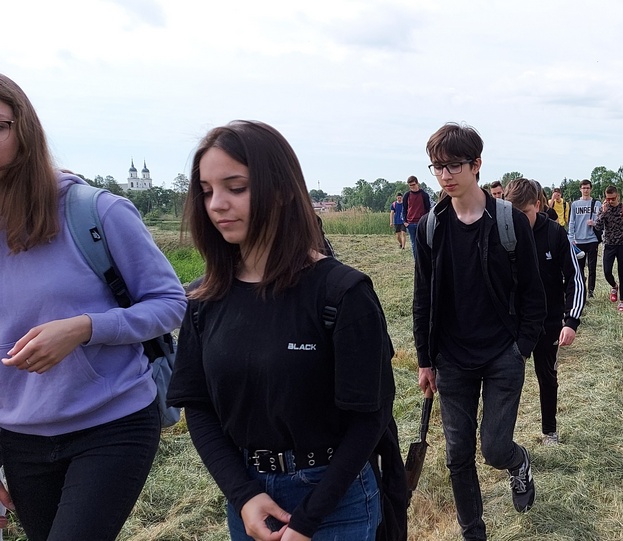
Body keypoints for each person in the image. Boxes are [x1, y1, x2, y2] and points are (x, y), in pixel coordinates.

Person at [167, 120, 399, 541]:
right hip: (248, 499)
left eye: (236, 187)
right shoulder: (204, 299)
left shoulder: (342, 293)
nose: (217, 204)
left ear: (282, 190)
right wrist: (243, 495)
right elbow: (197, 406)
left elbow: (371, 416)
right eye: (206, 190)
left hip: (336, 502)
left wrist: (309, 520)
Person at [0, 73, 187, 541]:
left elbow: (170, 303)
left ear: (25, 130)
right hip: (17, 437)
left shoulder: (95, 211)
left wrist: (85, 328)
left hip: (110, 423)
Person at [413, 122, 546, 540]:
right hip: (452, 359)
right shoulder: (430, 227)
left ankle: (518, 463)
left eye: (454, 165)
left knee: (494, 448)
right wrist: (425, 360)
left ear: (476, 165)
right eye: (438, 167)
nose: (445, 175)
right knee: (457, 455)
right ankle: (474, 532)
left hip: (502, 353)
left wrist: (521, 347)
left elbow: (534, 293)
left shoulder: (508, 222)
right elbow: (422, 300)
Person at [503, 178, 583, 445]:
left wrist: (571, 321)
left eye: (524, 213)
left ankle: (549, 430)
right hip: (513, 322)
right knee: (506, 378)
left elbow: (575, 278)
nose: (518, 220)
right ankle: (502, 438)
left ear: (537, 205)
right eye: (513, 214)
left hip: (549, 321)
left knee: (546, 376)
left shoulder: (555, 233)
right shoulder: (502, 234)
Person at [594, 186, 623, 312]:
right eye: (608, 199)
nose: (610, 201)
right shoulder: (603, 209)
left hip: (622, 245)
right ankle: (614, 286)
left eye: (612, 198)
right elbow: (597, 227)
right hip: (608, 245)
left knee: (622, 273)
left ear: (617, 196)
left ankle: (622, 301)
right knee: (607, 271)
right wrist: (603, 212)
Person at [566, 180, 601, 299]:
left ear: (591, 189)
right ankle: (581, 288)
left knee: (592, 267)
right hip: (579, 241)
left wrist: (594, 223)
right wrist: (571, 237)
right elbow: (571, 221)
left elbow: (601, 221)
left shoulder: (596, 203)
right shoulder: (575, 204)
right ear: (580, 189)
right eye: (584, 188)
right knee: (579, 268)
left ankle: (591, 290)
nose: (586, 190)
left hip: (592, 239)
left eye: (588, 188)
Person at [402, 175, 432, 254]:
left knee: (423, 243)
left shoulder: (424, 195)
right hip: (410, 223)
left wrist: (426, 221)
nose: (412, 187)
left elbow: (427, 209)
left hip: (421, 223)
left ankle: (424, 260)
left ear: (417, 183)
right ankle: (416, 261)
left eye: (413, 185)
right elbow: (404, 209)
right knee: (414, 244)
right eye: (410, 185)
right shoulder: (407, 195)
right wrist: (405, 221)